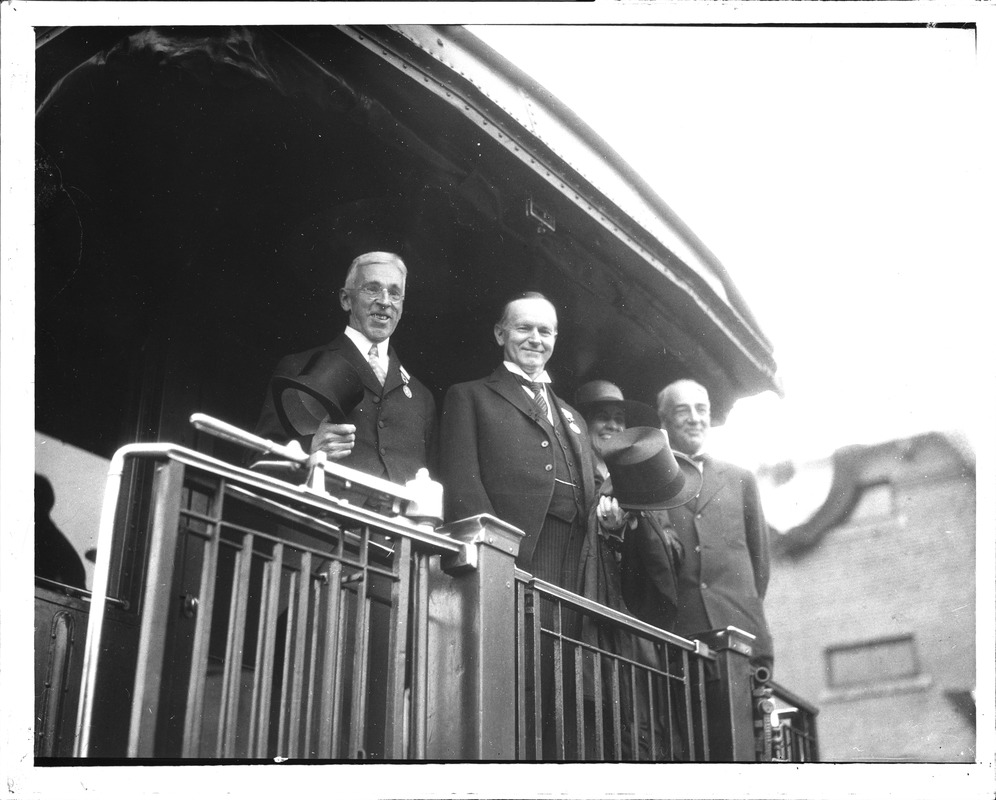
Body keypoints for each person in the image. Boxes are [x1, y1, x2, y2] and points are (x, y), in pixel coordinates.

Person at [439, 291, 596, 593]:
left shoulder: (573, 415)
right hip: (516, 556)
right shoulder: (469, 396)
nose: (535, 339)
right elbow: (463, 486)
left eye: (544, 331)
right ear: (500, 334)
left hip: (576, 561)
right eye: (524, 328)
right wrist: (497, 554)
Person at [254, 251, 436, 485]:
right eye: (372, 288)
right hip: (327, 518)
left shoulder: (421, 397)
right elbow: (258, 461)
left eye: (394, 293)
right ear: (345, 300)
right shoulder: (300, 366)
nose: (384, 301)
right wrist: (310, 451)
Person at [656, 379, 774, 672]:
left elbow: (760, 564)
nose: (695, 418)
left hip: (742, 633)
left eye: (701, 409)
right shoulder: (652, 481)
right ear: (665, 420)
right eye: (683, 410)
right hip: (682, 638)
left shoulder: (740, 479)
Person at [576, 380, 684, 632]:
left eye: (619, 419)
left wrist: (634, 528)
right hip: (584, 595)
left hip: (631, 603)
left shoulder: (642, 478)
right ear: (584, 424)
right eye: (602, 417)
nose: (613, 425)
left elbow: (673, 547)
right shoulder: (576, 472)